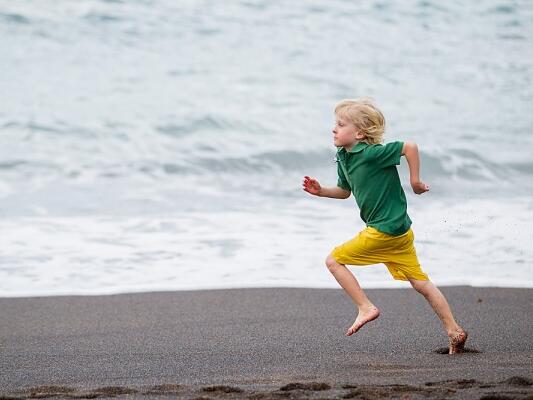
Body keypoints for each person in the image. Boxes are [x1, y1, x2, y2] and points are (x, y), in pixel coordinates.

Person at [302, 98, 467, 354]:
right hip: (400, 232)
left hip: (383, 230)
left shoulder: (372, 153)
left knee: (333, 261)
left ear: (359, 133)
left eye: (341, 124)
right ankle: (454, 330)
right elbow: (345, 191)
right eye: (335, 124)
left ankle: (365, 307)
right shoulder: (344, 156)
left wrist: (414, 182)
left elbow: (409, 147)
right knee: (421, 283)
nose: (334, 128)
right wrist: (321, 191)